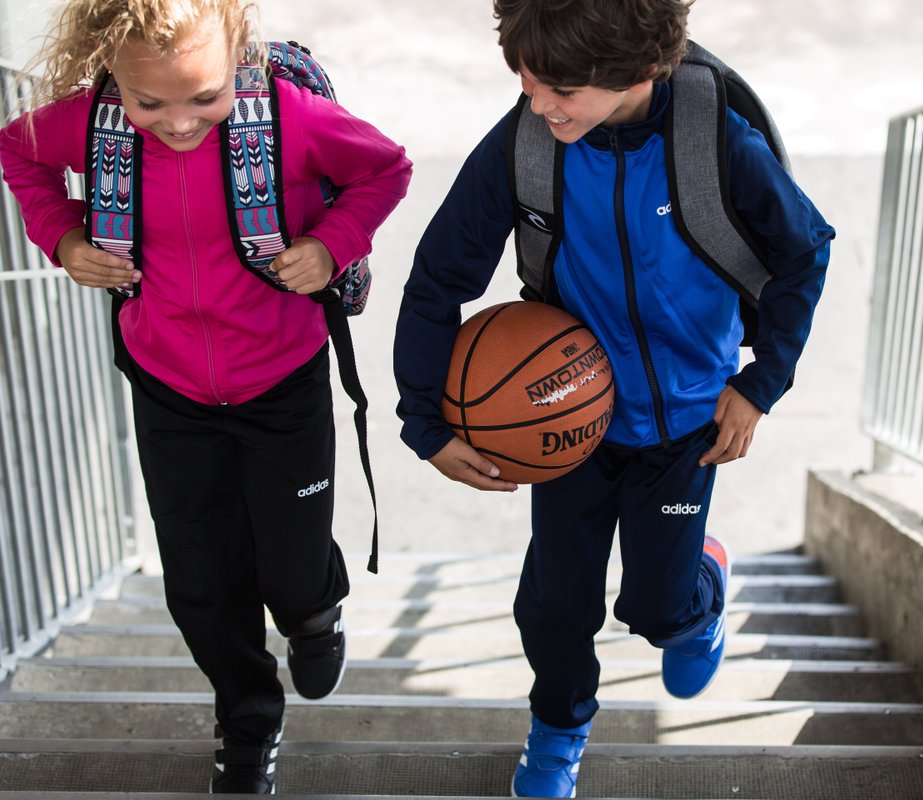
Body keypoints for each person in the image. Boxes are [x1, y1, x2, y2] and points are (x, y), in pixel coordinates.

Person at [392, 0, 832, 796]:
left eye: (558, 87)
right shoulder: (526, 141)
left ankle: (700, 593)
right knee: (554, 606)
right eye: (525, 78)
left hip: (686, 423)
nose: (536, 101)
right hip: (570, 420)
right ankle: (559, 729)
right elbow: (435, 281)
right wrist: (423, 422)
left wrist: (759, 386)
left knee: (657, 612)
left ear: (639, 73)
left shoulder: (715, 143)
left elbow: (804, 254)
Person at [0, 0, 412, 793]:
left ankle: (314, 611)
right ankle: (247, 716)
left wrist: (331, 247)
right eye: (149, 103)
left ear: (235, 55)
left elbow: (385, 168)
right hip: (168, 387)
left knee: (291, 563)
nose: (179, 123)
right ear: (110, 70)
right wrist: (63, 236)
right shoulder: (92, 123)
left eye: (204, 97)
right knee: (199, 579)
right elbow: (19, 153)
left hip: (282, 378)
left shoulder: (286, 116)